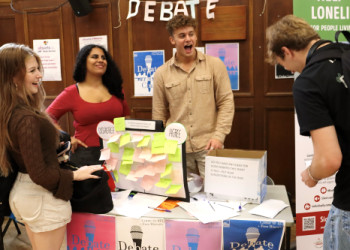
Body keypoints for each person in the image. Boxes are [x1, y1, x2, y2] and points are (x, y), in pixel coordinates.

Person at [0, 43, 103, 250]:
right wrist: (76, 175)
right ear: (13, 77)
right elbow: (39, 173)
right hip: (40, 196)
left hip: (27, 194)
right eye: (32, 71)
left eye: (38, 68)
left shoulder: (15, 111)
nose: (39, 75)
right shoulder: (26, 118)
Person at [266, 15, 349, 249]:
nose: (285, 68)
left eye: (281, 62)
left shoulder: (308, 82)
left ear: (286, 51)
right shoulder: (344, 51)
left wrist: (312, 175)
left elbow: (330, 160)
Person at [152, 14, 234, 178]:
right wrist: (160, 145)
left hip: (209, 146)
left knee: (215, 194)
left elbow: (226, 102)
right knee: (181, 197)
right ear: (172, 40)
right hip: (176, 147)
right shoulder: (161, 73)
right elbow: (159, 113)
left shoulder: (215, 65)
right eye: (182, 36)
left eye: (191, 34)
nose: (187, 39)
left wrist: (219, 136)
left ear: (196, 37)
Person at [46, 44, 130, 167]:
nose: (100, 60)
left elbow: (126, 117)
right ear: (83, 62)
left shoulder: (116, 90)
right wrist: (67, 138)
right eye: (95, 57)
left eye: (103, 57)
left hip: (116, 152)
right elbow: (47, 117)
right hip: (85, 154)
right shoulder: (71, 92)